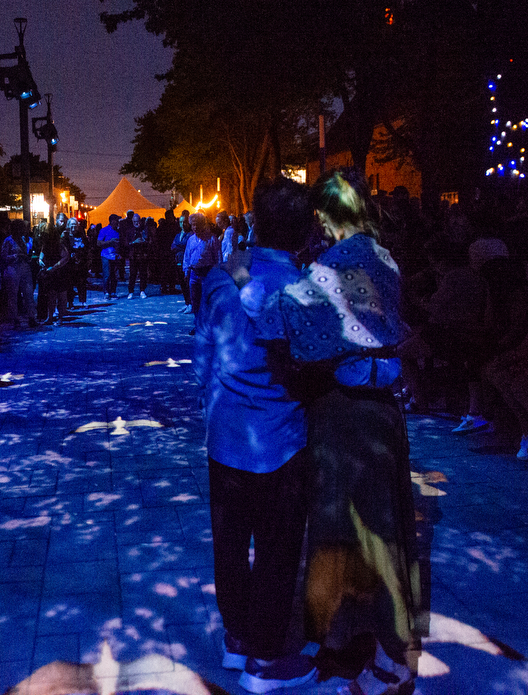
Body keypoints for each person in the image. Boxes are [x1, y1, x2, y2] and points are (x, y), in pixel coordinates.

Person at [225, 169, 423, 694]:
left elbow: (277, 318)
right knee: (378, 525)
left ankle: (382, 654)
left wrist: (241, 273)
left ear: (326, 214)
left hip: (346, 413)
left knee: (355, 531)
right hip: (382, 409)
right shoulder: (381, 257)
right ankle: (368, 639)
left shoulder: (334, 265)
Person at [196, 178, 316, 692]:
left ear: (255, 224)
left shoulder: (221, 277)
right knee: (276, 548)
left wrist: (213, 405)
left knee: (229, 540)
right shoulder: (302, 288)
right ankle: (265, 660)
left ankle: (237, 636)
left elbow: (203, 351)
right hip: (279, 436)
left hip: (225, 430)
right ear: (305, 231)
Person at [182, 213, 219, 328]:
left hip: (207, 273)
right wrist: (186, 271)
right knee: (195, 300)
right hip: (194, 273)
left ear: (202, 224)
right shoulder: (191, 240)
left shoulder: (211, 238)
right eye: (193, 225)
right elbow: (187, 256)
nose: (195, 227)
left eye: (197, 224)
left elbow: (218, 257)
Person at [2, 219, 38, 329]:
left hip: (24, 268)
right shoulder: (8, 241)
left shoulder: (23, 239)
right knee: (13, 295)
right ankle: (14, 319)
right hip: (13, 269)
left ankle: (31, 317)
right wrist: (16, 256)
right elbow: (3, 257)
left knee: (28, 293)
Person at [97, 214, 122, 299]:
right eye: (117, 221)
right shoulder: (104, 230)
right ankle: (106, 292)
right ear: (112, 221)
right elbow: (98, 243)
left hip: (115, 255)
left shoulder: (118, 231)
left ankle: (113, 291)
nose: (118, 222)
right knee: (107, 275)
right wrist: (110, 242)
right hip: (106, 255)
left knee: (114, 275)